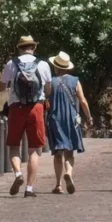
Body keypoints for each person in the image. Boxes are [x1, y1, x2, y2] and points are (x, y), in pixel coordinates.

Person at [1, 33, 52, 195]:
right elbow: (48, 89)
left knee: (14, 146)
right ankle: (29, 188)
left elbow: (2, 86)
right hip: (36, 108)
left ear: (19, 48)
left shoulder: (11, 64)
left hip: (16, 108)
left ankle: (17, 173)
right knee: (34, 150)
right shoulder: (43, 65)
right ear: (34, 48)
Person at [45, 51, 92, 193]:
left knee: (58, 152)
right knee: (69, 152)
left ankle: (58, 185)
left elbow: (44, 99)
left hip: (55, 118)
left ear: (55, 67)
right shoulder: (75, 81)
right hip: (71, 118)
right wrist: (88, 117)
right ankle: (69, 173)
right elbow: (82, 100)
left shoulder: (50, 82)